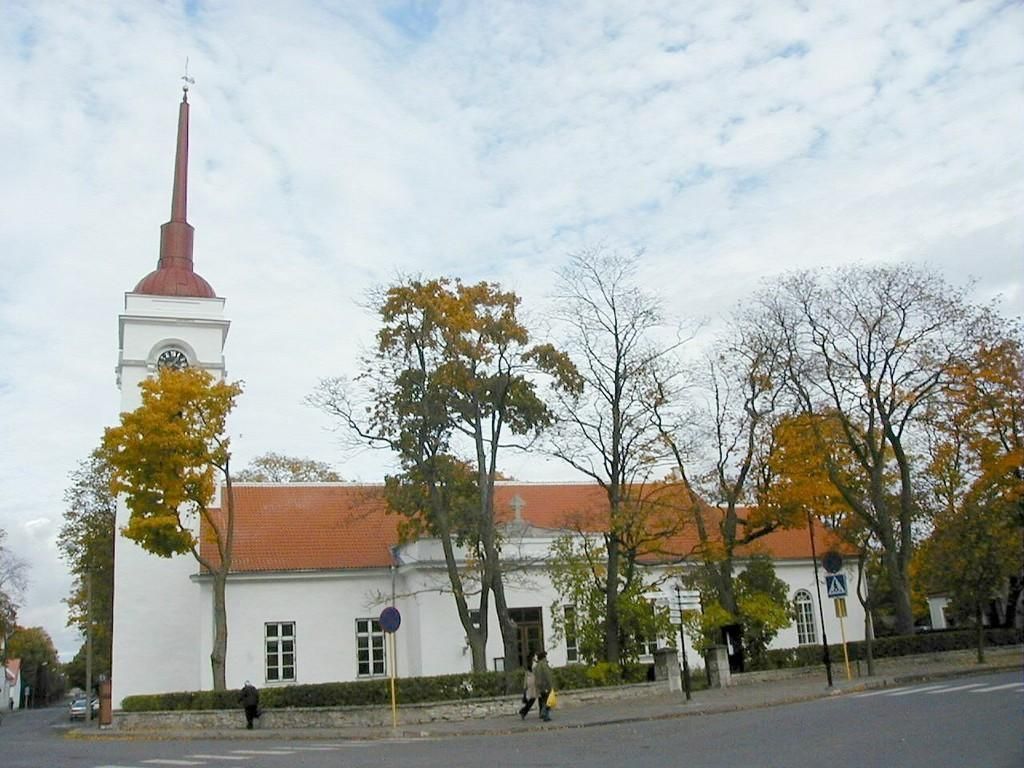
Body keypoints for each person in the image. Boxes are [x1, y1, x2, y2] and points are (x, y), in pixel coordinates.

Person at [533, 651, 553, 722]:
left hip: (540, 686)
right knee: (548, 701)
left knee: (543, 701)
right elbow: (547, 676)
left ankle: (543, 714)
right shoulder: (543, 665)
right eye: (545, 656)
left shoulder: (537, 666)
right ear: (543, 657)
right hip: (545, 686)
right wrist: (550, 686)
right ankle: (544, 714)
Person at [518, 652, 537, 719]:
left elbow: (526, 676)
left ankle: (524, 711)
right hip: (533, 683)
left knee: (531, 698)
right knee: (533, 698)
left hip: (529, 682)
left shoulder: (529, 665)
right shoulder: (534, 664)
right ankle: (523, 711)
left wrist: (525, 685)